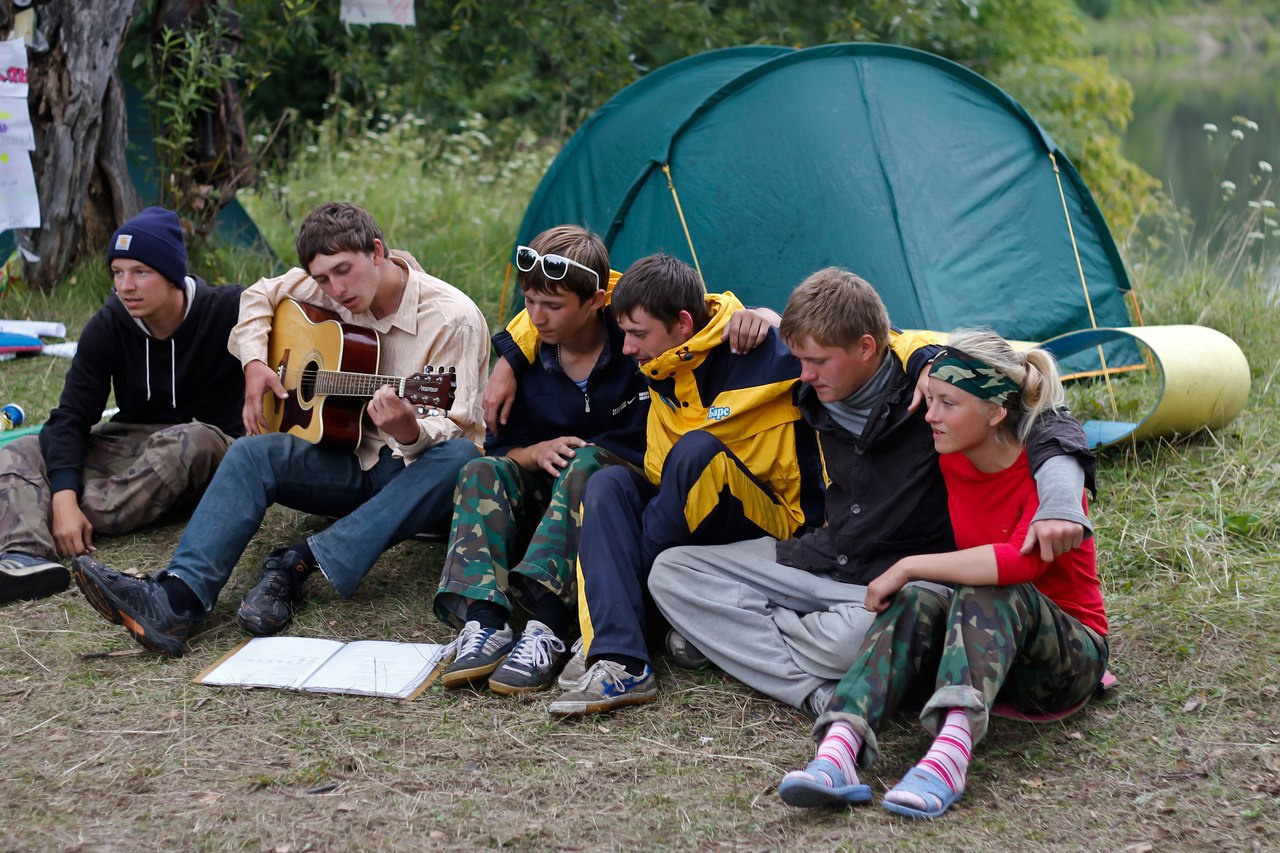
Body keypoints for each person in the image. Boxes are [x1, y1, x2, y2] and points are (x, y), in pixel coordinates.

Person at [648, 269, 1094, 716]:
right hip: (822, 559)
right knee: (672, 571)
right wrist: (762, 317)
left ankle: (747, 642)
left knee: (848, 644)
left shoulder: (934, 397)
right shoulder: (809, 380)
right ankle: (787, 657)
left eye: (818, 362)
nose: (803, 375)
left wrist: (1059, 500)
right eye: (800, 359)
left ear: (866, 348)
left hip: (897, 590)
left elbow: (1048, 419)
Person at [71, 202, 489, 655]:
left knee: (462, 458)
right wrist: (254, 362)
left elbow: (460, 424)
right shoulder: (327, 288)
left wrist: (409, 432)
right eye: (324, 279)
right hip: (347, 455)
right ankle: (175, 599)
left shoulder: (453, 318)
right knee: (252, 453)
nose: (336, 288)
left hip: (413, 476)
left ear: (377, 251)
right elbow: (258, 295)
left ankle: (301, 560)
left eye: (344, 271)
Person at [776, 328, 1108, 820]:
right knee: (917, 597)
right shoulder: (950, 455)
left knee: (986, 586)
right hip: (984, 656)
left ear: (996, 412)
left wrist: (909, 565)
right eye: (931, 400)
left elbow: (1021, 562)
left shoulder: (1046, 473)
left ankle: (948, 761)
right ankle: (838, 752)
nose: (930, 416)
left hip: (1062, 662)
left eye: (948, 404)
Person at [432, 226, 648, 694]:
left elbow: (688, 303)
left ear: (596, 300)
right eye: (529, 302)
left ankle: (549, 626)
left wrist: (753, 314)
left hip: (617, 504)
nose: (536, 317)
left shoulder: (635, 340)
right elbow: (499, 448)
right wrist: (533, 452)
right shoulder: (528, 358)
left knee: (585, 461)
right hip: (545, 498)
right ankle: (485, 620)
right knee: (479, 470)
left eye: (552, 306)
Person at [0, 207, 244, 604]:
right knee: (22, 449)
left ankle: (35, 511)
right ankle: (25, 556)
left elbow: (298, 293)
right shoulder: (110, 324)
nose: (125, 285)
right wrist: (63, 495)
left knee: (192, 440)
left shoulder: (231, 309)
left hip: (216, 450)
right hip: (137, 442)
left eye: (140, 272)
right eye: (117, 272)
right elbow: (71, 418)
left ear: (171, 273)